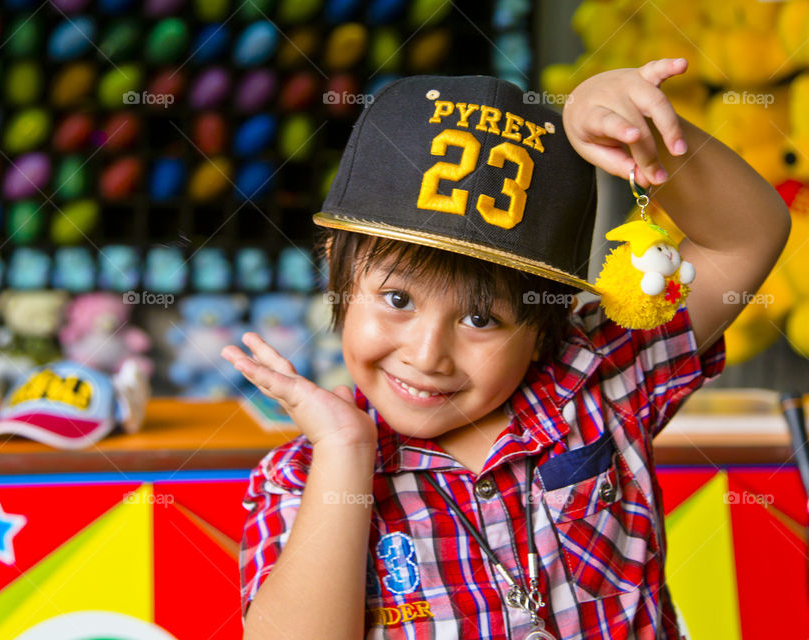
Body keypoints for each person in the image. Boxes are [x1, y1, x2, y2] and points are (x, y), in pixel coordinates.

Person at [221, 59, 791, 639]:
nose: (428, 353)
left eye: (479, 318)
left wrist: (642, 131)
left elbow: (745, 237)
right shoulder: (301, 477)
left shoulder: (599, 373)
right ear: (336, 278)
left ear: (546, 326)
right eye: (397, 299)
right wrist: (345, 449)